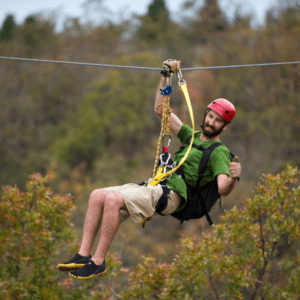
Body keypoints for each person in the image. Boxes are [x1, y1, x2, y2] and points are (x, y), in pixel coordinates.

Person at [57, 59, 241, 279]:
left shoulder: (219, 151)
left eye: (217, 120)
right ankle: (82, 255)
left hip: (174, 195)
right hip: (158, 185)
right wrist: (164, 75)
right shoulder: (190, 136)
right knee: (97, 196)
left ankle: (98, 261)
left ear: (225, 126)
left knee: (114, 199)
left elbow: (222, 188)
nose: (211, 122)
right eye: (210, 116)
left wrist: (232, 177)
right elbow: (160, 110)